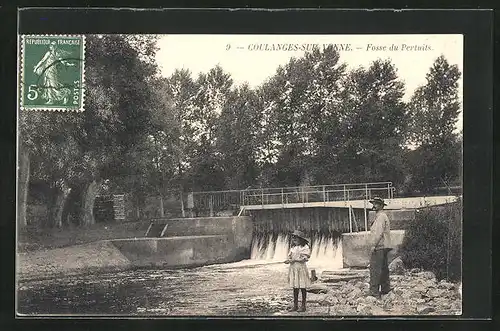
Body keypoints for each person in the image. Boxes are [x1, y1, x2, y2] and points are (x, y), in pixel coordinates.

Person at [367, 197, 392, 299]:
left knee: (375, 269)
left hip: (379, 246)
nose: (374, 205)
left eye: (376, 204)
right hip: (384, 246)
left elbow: (378, 233)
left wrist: (373, 245)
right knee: (383, 268)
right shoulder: (382, 216)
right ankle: (385, 290)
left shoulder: (380, 217)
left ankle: (374, 292)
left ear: (381, 206)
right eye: (374, 203)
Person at [285, 229, 311, 312]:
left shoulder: (305, 248)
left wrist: (294, 260)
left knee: (303, 287)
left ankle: (303, 306)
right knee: (295, 288)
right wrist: (288, 260)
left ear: (301, 239)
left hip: (301, 269)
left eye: (296, 238)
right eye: (293, 238)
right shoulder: (293, 248)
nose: (294, 240)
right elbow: (290, 256)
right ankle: (295, 305)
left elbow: (305, 259)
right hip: (293, 269)